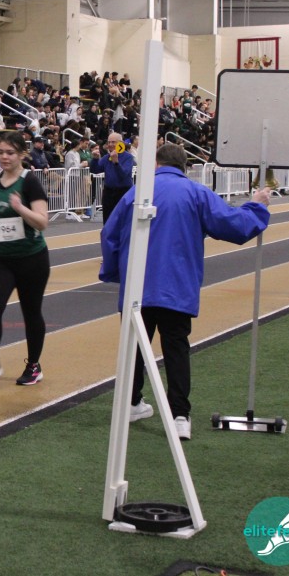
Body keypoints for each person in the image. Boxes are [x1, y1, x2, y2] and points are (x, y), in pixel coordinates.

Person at [100, 143, 271, 441]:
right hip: (176, 285)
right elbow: (233, 225)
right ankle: (180, 416)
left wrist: (117, 273)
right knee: (176, 347)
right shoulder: (196, 192)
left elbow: (109, 235)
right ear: (185, 167)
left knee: (134, 346)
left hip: (138, 285)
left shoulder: (136, 193)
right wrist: (256, 205)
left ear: (156, 163)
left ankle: (131, 403)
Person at [0, 130, 50, 389]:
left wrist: (20, 208)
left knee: (31, 312)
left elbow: (42, 222)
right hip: (0, 258)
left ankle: (33, 365)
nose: (4, 157)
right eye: (0, 152)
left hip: (31, 258)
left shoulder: (30, 183)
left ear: (22, 154)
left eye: (10, 153)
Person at [89, 132, 135, 224]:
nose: (110, 144)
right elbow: (95, 170)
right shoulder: (106, 157)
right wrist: (95, 159)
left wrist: (116, 163)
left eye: (113, 142)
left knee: (122, 220)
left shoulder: (128, 157)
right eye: (109, 142)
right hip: (109, 192)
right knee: (107, 220)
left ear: (120, 143)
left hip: (123, 192)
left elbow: (123, 175)